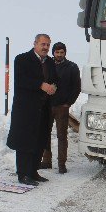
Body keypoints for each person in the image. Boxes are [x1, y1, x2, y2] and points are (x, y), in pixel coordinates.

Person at [6, 34, 58, 186]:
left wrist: (54, 86)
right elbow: (22, 80)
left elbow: (55, 79)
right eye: (43, 44)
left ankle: (33, 172)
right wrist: (41, 85)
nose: (46, 47)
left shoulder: (50, 62)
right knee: (25, 142)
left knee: (40, 140)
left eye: (48, 45)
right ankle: (22, 174)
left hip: (43, 109)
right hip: (26, 110)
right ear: (35, 44)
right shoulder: (22, 59)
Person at [41, 42, 81, 174]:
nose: (59, 54)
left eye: (61, 52)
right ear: (53, 52)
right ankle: (46, 161)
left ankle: (61, 164)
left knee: (62, 136)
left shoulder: (72, 67)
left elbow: (76, 87)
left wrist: (68, 103)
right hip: (46, 105)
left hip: (62, 107)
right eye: (57, 52)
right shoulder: (45, 64)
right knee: (45, 134)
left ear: (65, 53)